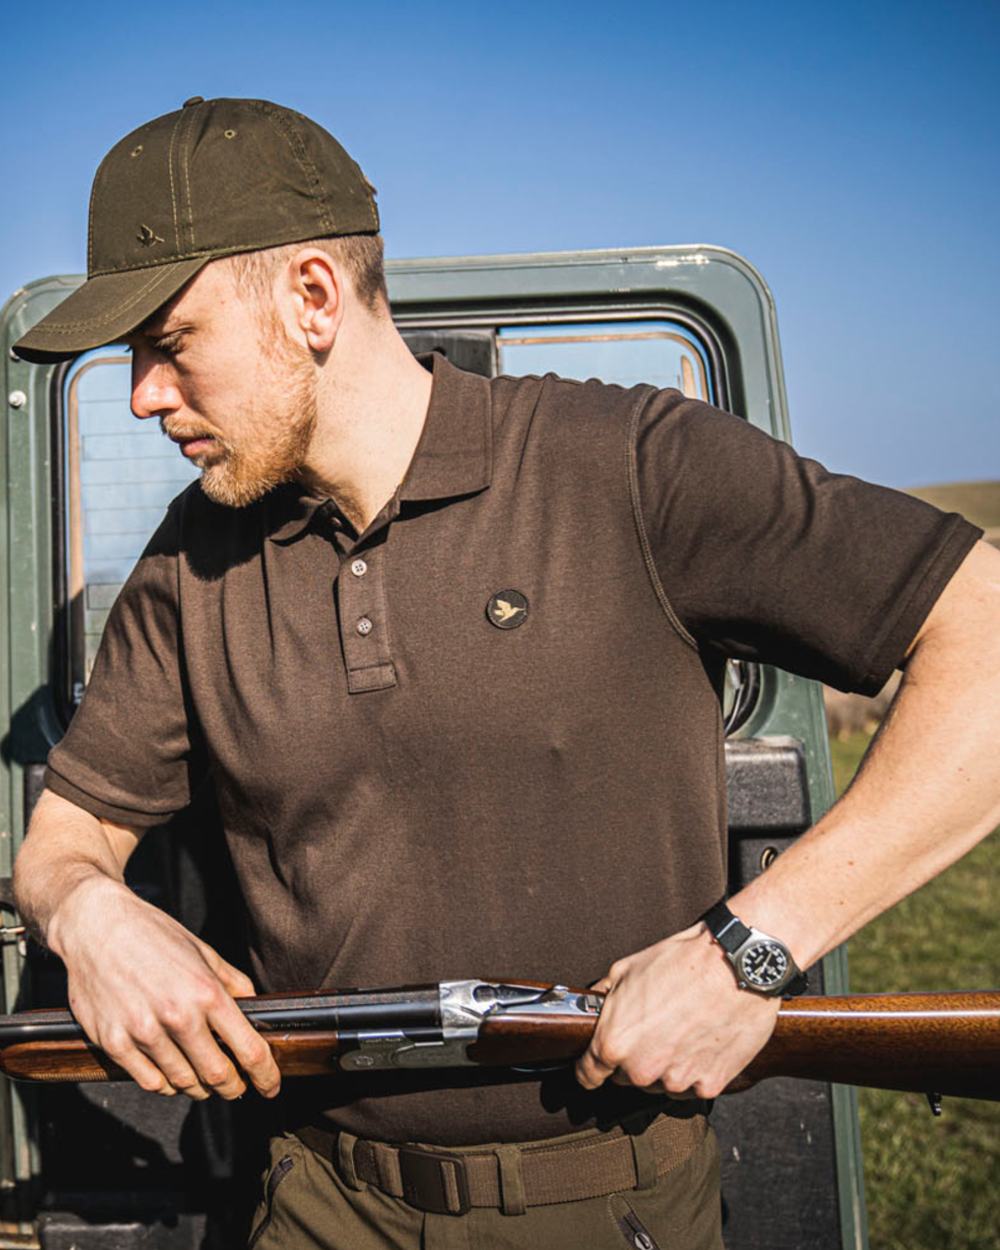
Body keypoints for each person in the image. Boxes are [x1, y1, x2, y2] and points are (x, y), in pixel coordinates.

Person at [11, 96, 1000, 1250]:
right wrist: (88, 911)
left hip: (612, 1203)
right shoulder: (191, 561)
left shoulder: (629, 463)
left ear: (313, 297)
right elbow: (59, 842)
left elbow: (983, 638)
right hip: (314, 1202)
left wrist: (753, 945)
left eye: (169, 344)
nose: (141, 394)